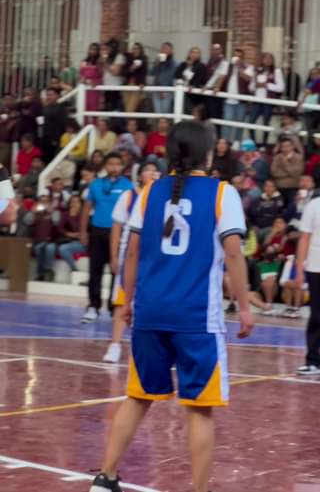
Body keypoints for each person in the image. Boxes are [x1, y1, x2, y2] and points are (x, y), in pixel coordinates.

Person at [88, 121, 253, 492]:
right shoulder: (222, 194)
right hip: (196, 318)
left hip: (150, 312)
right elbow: (233, 254)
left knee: (137, 397)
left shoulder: (148, 192)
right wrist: (244, 306)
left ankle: (105, 478)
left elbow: (130, 255)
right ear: (208, 154)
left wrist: (126, 301)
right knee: (199, 408)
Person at [103, 161, 160, 364]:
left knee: (148, 304)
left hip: (153, 257)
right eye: (148, 170)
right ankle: (115, 345)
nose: (152, 173)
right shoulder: (129, 196)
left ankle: (145, 349)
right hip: (130, 255)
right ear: (140, 174)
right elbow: (116, 229)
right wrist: (113, 255)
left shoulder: (162, 198)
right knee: (122, 302)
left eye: (155, 171)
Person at [80, 152, 133, 323]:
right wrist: (83, 231)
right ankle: (93, 306)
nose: (114, 167)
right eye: (110, 163)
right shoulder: (96, 184)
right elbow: (87, 208)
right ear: (105, 165)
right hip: (97, 231)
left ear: (122, 166)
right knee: (95, 270)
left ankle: (113, 308)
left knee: (115, 270)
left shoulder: (128, 185)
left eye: (117, 164)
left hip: (117, 233)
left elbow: (132, 211)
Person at [296, 197, 320, 374]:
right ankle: (313, 361)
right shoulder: (313, 205)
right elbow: (304, 238)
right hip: (316, 267)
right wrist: (299, 269)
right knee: (317, 316)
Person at [249, 53, 285, 145]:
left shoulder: (276, 71)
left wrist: (267, 85)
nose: (267, 60)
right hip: (257, 101)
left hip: (268, 101)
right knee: (251, 122)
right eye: (265, 58)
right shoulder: (257, 71)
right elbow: (251, 87)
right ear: (262, 60)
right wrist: (255, 85)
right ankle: (253, 143)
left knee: (266, 123)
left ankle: (264, 145)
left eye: (270, 59)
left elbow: (281, 88)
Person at [221, 48, 253, 147]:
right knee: (227, 122)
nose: (236, 58)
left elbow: (248, 79)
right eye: (235, 56)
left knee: (239, 122)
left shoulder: (248, 67)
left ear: (242, 58)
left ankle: (236, 142)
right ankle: (225, 143)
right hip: (228, 99)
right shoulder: (227, 66)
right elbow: (221, 77)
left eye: (239, 56)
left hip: (241, 100)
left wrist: (239, 68)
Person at [25, 193, 60, 281]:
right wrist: (32, 211)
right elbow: (27, 222)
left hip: (51, 241)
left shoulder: (55, 212)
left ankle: (46, 272)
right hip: (37, 241)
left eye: (46, 201)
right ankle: (44, 273)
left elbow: (56, 222)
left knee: (50, 248)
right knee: (38, 248)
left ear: (49, 202)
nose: (44, 204)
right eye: (42, 202)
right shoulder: (35, 213)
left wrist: (51, 211)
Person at [271, 137, 304, 206]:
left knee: (291, 207)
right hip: (279, 187)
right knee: (279, 207)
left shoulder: (298, 158)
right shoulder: (277, 157)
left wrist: (285, 162)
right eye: (283, 146)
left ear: (293, 146)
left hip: (292, 188)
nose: (285, 148)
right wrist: (289, 174)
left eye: (288, 146)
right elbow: (273, 172)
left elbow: (296, 173)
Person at [57, 195, 86, 271]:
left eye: (77, 202)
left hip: (83, 242)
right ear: (69, 203)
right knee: (62, 248)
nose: (74, 204)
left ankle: (74, 270)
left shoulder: (84, 214)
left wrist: (73, 217)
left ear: (81, 204)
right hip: (70, 240)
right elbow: (59, 228)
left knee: (63, 248)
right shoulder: (66, 214)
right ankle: (75, 269)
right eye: (73, 202)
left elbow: (79, 229)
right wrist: (68, 234)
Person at [175, 47, 207, 114]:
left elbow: (200, 78)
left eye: (197, 53)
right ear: (189, 54)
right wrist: (188, 66)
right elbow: (177, 75)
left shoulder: (201, 66)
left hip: (193, 95)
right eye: (193, 52)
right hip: (182, 92)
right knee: (180, 111)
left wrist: (193, 85)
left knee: (191, 113)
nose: (195, 54)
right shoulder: (183, 64)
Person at [204, 43, 228, 131]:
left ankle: (216, 138)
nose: (215, 51)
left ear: (220, 51)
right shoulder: (209, 61)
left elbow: (222, 76)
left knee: (216, 116)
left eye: (217, 49)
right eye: (213, 49)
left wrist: (217, 87)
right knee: (208, 115)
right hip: (208, 93)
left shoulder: (223, 62)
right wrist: (205, 86)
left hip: (217, 93)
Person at [42, 88, 67, 164]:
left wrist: (56, 139)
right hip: (45, 139)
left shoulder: (60, 108)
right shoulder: (45, 108)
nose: (49, 97)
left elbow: (62, 125)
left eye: (51, 95)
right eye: (48, 95)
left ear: (57, 96)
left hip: (55, 140)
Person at [150, 42, 176, 114]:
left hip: (166, 91)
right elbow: (151, 73)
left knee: (165, 114)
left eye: (166, 48)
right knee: (157, 113)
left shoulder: (174, 64)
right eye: (162, 48)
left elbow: (171, 77)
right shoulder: (158, 62)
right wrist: (156, 63)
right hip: (156, 90)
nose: (163, 50)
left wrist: (164, 89)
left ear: (171, 51)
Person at [122, 43, 148, 113]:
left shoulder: (143, 59)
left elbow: (144, 73)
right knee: (127, 106)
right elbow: (123, 71)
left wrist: (142, 82)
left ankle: (128, 122)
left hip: (137, 85)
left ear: (140, 50)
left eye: (136, 48)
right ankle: (129, 122)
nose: (135, 50)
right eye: (133, 48)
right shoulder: (128, 59)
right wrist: (130, 69)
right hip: (127, 85)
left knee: (130, 108)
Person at [100, 38, 125, 111]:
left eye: (109, 48)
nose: (107, 50)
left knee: (114, 109)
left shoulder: (119, 57)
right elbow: (102, 72)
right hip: (106, 86)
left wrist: (105, 63)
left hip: (115, 87)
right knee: (106, 108)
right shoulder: (108, 57)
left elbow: (115, 73)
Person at [79, 43, 102, 117]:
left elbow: (102, 76)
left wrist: (96, 82)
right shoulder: (84, 62)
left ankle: (94, 127)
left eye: (95, 49)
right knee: (84, 108)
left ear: (98, 51)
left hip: (94, 89)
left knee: (94, 110)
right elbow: (81, 75)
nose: (92, 51)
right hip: (85, 88)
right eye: (91, 49)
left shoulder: (99, 62)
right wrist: (83, 80)